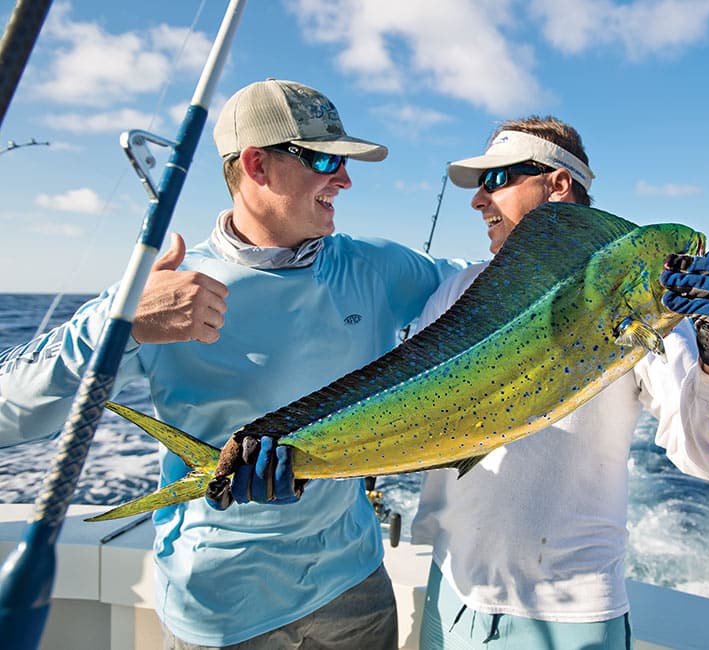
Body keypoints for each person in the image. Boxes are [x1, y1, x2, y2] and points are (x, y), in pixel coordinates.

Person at [0, 79, 466, 649]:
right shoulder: (166, 288)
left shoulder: (376, 265)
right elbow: (9, 411)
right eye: (325, 159)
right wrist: (119, 321)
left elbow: (488, 286)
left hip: (356, 586)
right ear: (257, 165)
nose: (344, 179)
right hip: (221, 605)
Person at [410, 116, 709, 649]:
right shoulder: (457, 291)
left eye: (499, 179)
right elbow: (402, 409)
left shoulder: (635, 294)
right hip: (451, 592)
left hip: (569, 615)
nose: (479, 200)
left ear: (558, 184)